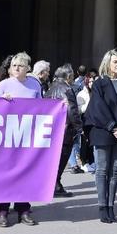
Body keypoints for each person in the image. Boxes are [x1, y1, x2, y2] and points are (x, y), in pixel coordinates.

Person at [0, 52, 42, 226]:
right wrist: (1, 100)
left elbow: (42, 108)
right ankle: (2, 211)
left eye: (21, 65)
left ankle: (23, 210)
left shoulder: (35, 85)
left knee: (25, 174)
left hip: (26, 138)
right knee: (4, 175)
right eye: (14, 65)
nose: (17, 68)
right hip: (6, 138)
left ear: (28, 68)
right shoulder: (3, 85)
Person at [84, 50, 117, 224]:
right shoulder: (100, 84)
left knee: (115, 171)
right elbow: (97, 108)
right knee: (102, 170)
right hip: (103, 132)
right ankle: (102, 207)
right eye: (115, 62)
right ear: (107, 64)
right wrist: (113, 127)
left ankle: (111, 206)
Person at [48, 64, 83, 198]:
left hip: (52, 128)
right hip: (66, 129)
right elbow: (72, 110)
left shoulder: (51, 88)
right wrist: (79, 128)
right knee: (62, 158)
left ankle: (55, 184)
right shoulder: (67, 89)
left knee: (54, 159)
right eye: (72, 75)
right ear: (68, 76)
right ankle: (56, 184)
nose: (73, 77)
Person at [74, 70, 96, 173]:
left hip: (95, 121)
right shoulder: (81, 94)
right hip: (85, 120)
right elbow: (78, 109)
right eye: (90, 82)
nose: (92, 84)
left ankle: (92, 161)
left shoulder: (96, 93)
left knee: (93, 143)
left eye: (94, 81)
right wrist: (88, 106)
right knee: (85, 142)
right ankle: (84, 162)